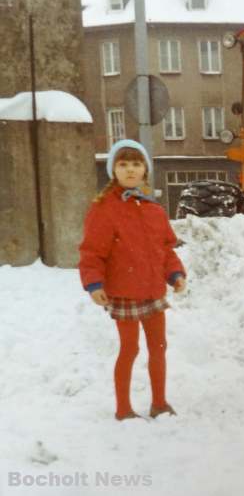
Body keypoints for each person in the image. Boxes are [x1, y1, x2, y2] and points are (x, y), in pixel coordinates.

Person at [79, 139, 187, 421]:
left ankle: (159, 403)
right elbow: (92, 251)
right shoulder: (103, 209)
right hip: (124, 291)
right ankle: (123, 409)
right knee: (130, 348)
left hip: (152, 291)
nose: (130, 170)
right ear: (113, 170)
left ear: (145, 171)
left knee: (159, 347)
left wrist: (175, 274)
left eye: (136, 164)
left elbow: (165, 249)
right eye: (123, 164)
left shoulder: (154, 210)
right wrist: (94, 283)